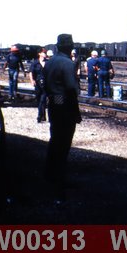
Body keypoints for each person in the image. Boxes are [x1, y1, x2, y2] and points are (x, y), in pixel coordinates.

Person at [43, 33, 81, 201]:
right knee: (64, 143)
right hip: (64, 104)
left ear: (57, 46)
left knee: (54, 138)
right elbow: (72, 90)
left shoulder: (50, 62)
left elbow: (44, 83)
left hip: (53, 103)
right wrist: (76, 111)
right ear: (70, 47)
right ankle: (59, 180)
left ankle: (49, 174)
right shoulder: (68, 64)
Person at [29, 49, 48, 123]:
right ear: (39, 53)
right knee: (39, 99)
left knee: (43, 99)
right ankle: (43, 116)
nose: (45, 54)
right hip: (37, 83)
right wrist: (32, 80)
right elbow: (31, 72)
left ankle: (39, 116)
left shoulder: (48, 62)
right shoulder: (35, 63)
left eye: (45, 53)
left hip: (46, 83)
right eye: (43, 53)